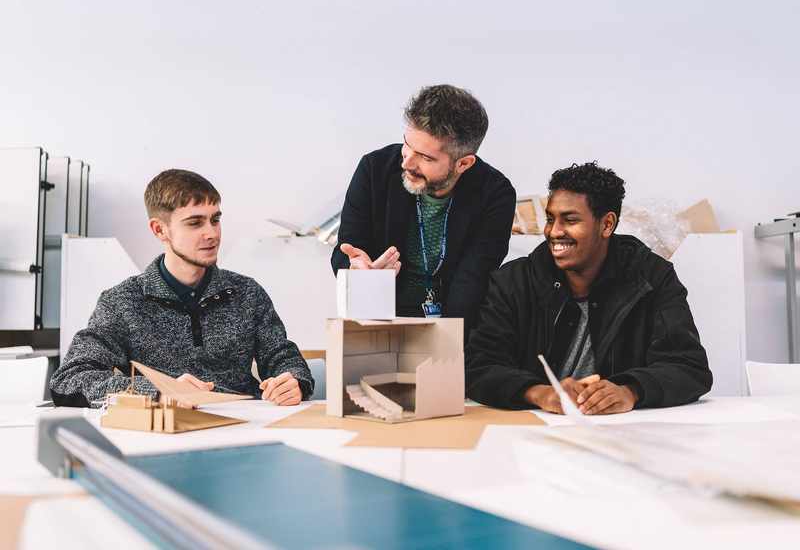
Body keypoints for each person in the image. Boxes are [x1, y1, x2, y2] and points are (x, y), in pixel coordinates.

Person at [50, 169, 313, 407]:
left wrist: (293, 381)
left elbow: (283, 356)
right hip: (166, 435)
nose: (212, 233)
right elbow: (69, 380)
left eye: (215, 220)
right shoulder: (121, 302)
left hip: (248, 429)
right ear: (159, 230)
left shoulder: (247, 293)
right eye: (195, 223)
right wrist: (159, 391)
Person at [465, 162, 712, 414]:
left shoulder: (651, 277)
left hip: (625, 435)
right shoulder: (513, 281)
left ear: (606, 225)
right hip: (536, 431)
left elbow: (689, 367)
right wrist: (541, 393)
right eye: (551, 219)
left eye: (570, 220)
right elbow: (479, 367)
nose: (554, 232)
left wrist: (630, 391)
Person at [331, 84, 516, 334]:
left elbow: (474, 279)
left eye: (426, 158)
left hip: (456, 326)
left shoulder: (495, 193)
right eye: (407, 145)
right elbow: (347, 249)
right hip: (378, 322)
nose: (407, 162)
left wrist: (446, 344)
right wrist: (357, 271)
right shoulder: (374, 169)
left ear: (463, 163)